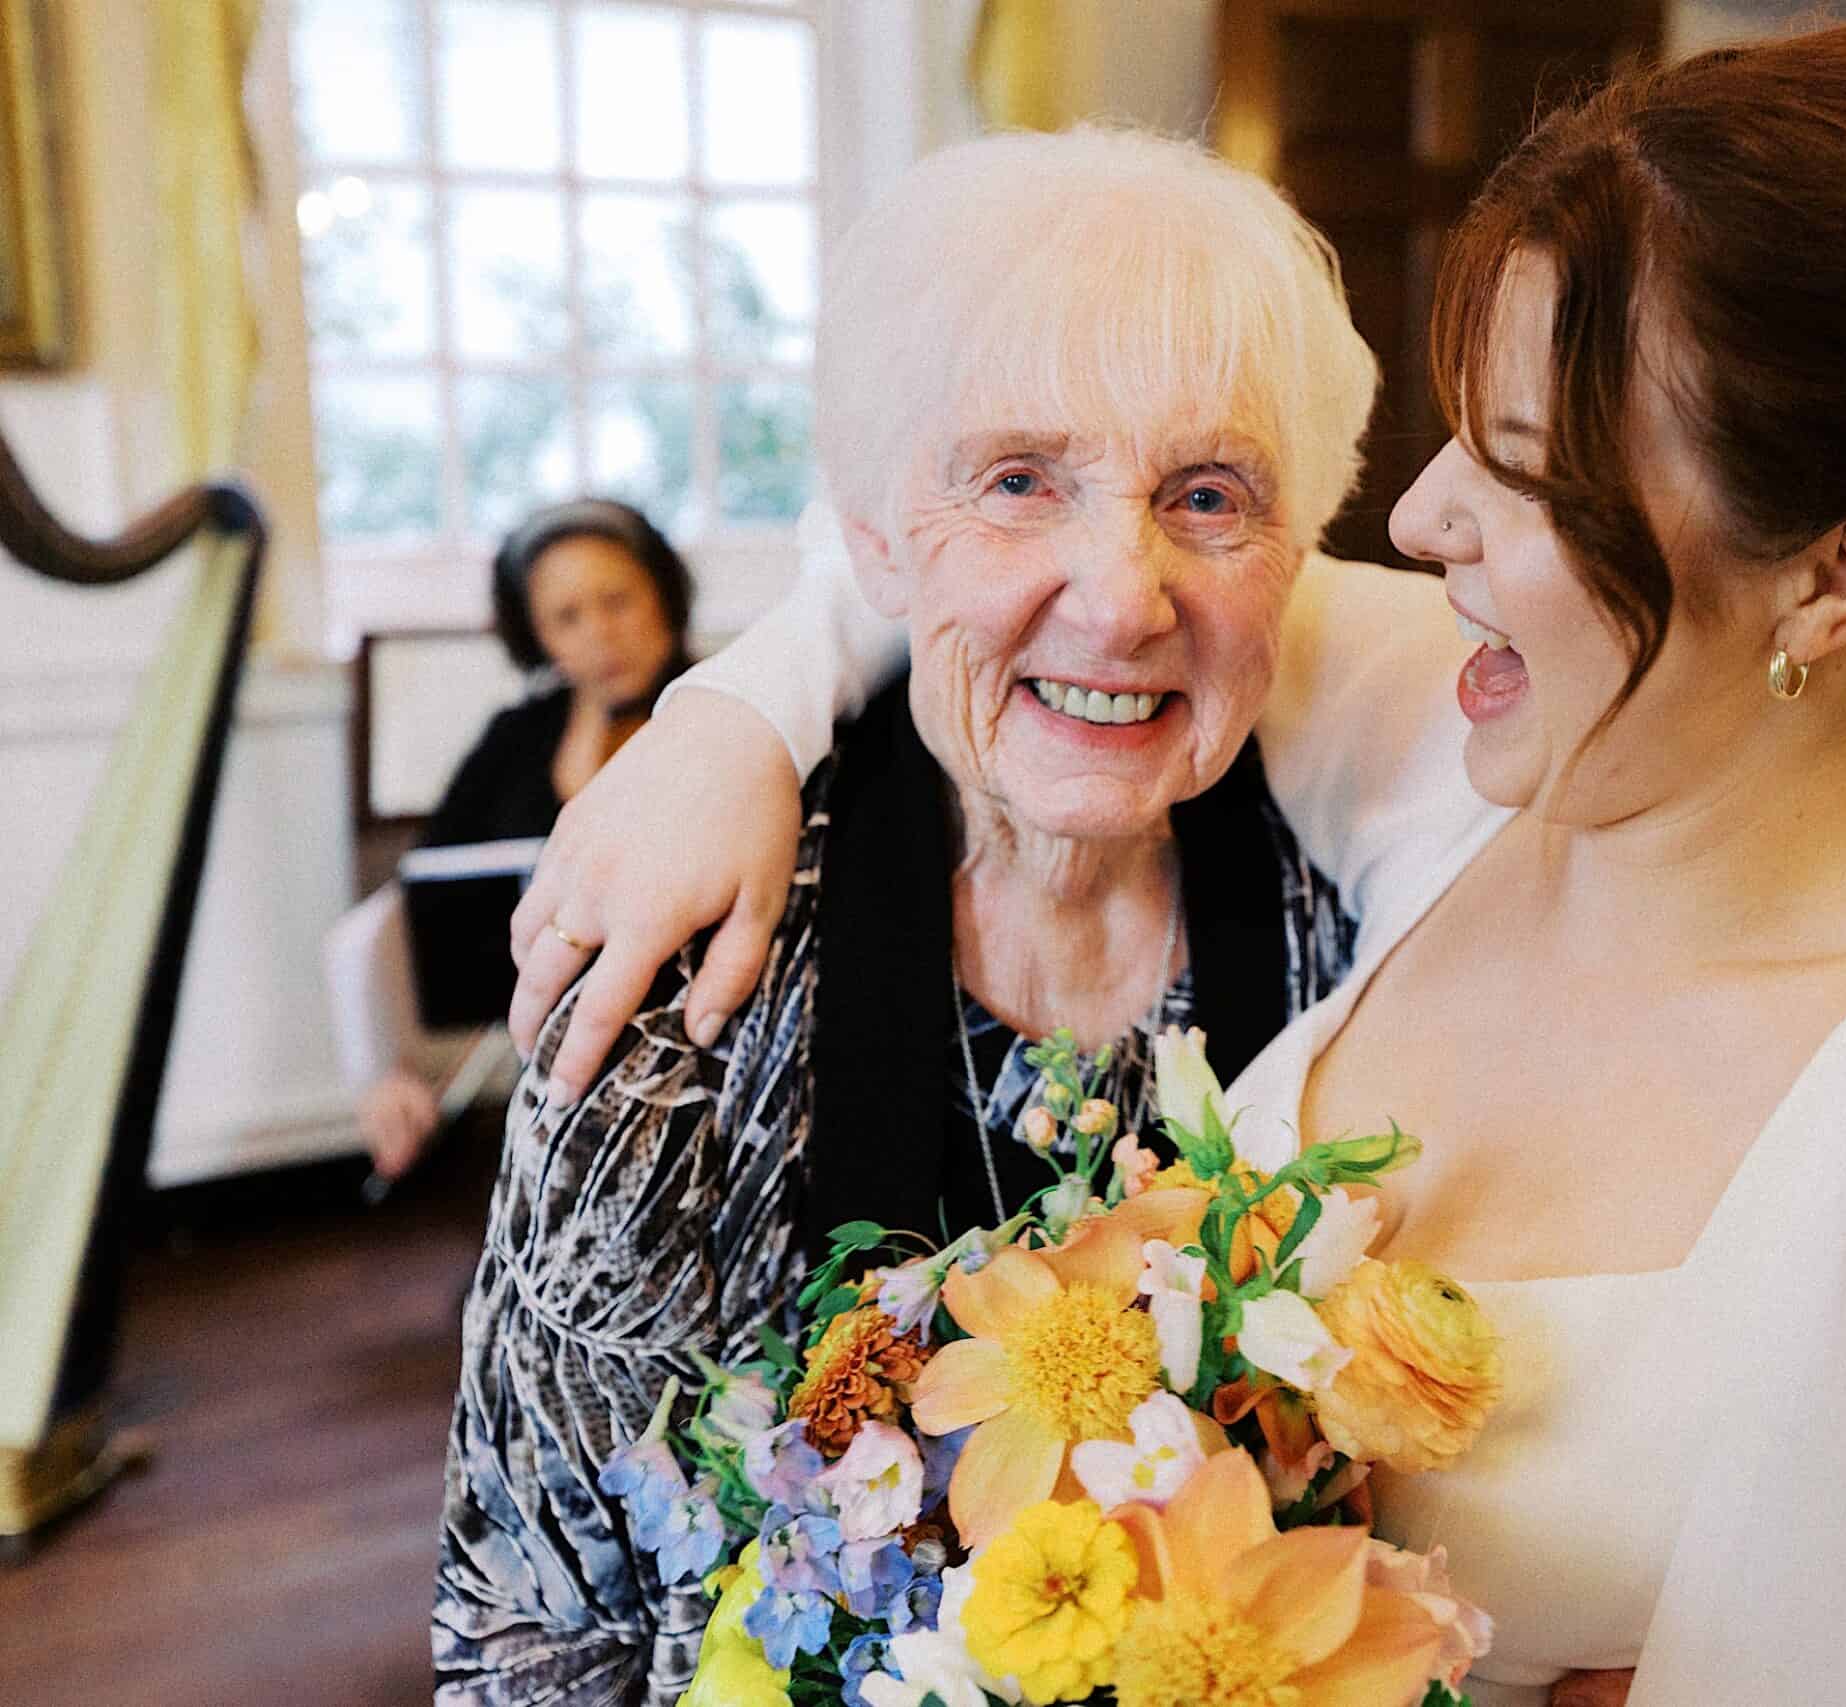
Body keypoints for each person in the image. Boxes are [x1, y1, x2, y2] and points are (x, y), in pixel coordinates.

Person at [510, 26, 1846, 1704]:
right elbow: (1008, 528)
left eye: (1519, 469)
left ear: (1829, 581)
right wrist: (717, 720)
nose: (1417, 525)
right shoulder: (1479, 759)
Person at [432, 128, 1384, 1705]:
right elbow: (529, 1634)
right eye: (1021, 481)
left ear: (1298, 554)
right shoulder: (688, 980)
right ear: (873, 541)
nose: (1123, 594)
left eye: (1209, 496)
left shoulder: (1364, 938)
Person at [324, 497, 693, 1182]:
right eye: (567, 617)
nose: (600, 635)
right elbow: (427, 889)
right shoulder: (517, 736)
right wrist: (386, 1062)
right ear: (535, 634)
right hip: (549, 1054)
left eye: (618, 600)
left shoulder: (718, 715)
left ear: (663, 597)